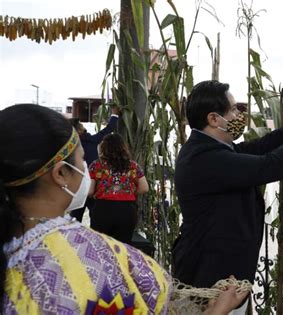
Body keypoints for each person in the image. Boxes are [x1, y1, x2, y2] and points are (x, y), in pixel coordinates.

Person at [0, 104, 247, 314]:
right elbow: (144, 188)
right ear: (61, 173)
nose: (85, 167)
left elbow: (93, 190)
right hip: (125, 213)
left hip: (104, 211)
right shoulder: (102, 259)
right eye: (81, 159)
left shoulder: (14, 248)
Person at [172, 80, 283, 311]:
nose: (239, 114)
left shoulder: (212, 149)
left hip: (220, 279)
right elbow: (270, 166)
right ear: (213, 119)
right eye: (232, 109)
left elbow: (264, 146)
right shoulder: (205, 159)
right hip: (211, 286)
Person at [88, 133, 148, 244]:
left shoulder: (96, 165)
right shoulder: (133, 166)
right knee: (122, 249)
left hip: (103, 210)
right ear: (123, 147)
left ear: (104, 148)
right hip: (126, 211)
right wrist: (128, 191)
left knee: (101, 248)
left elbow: (90, 191)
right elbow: (144, 187)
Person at [69, 106, 119, 222]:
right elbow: (108, 129)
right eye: (81, 126)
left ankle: (73, 237)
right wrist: (114, 114)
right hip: (94, 184)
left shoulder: (70, 147)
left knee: (75, 218)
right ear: (78, 130)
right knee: (96, 216)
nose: (84, 127)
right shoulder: (91, 140)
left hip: (79, 186)